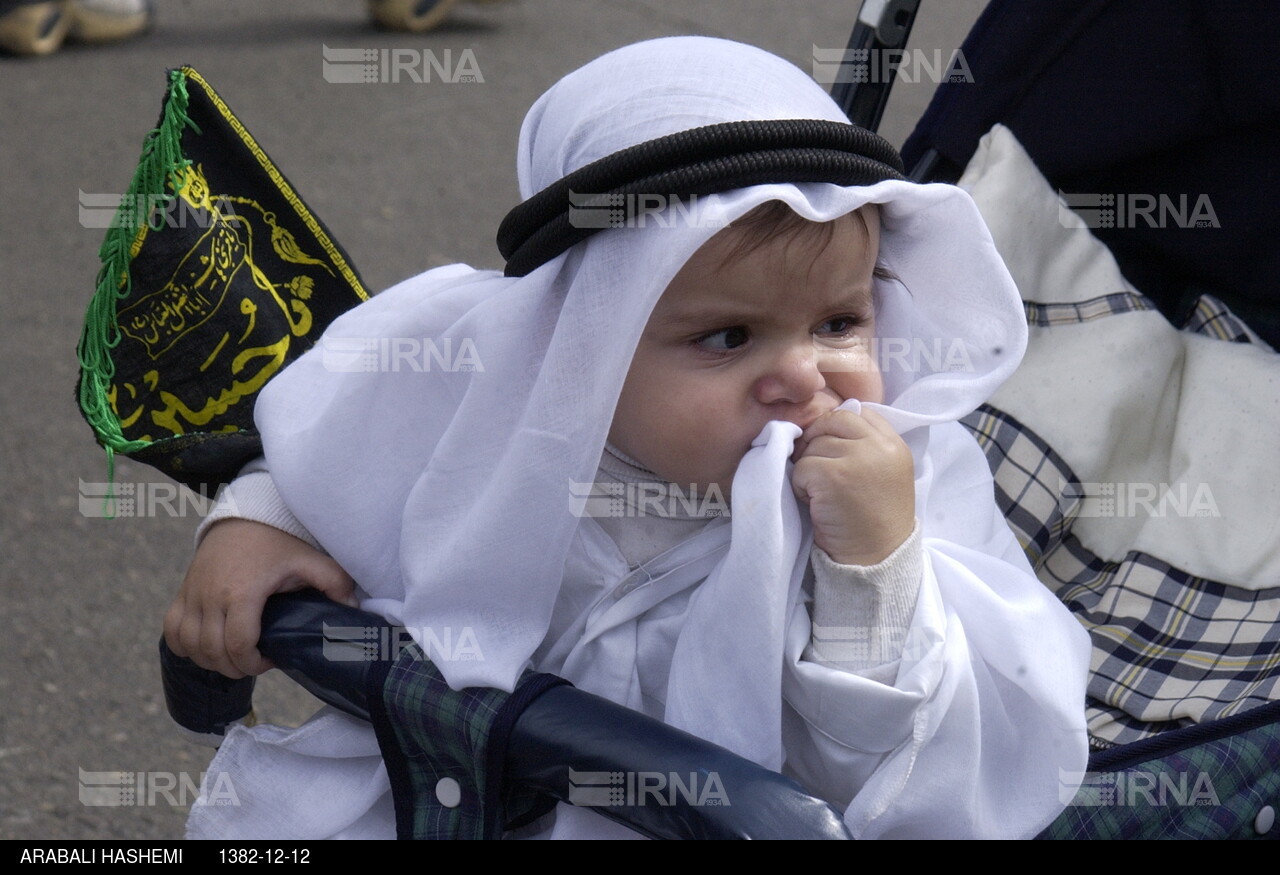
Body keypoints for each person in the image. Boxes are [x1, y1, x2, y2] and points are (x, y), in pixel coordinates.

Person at [167, 36, 1091, 839]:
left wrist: (875, 572)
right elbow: (345, 442)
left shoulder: (898, 481)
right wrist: (258, 521)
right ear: (585, 342)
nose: (807, 375)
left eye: (841, 323)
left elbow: (920, 777)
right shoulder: (496, 399)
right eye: (727, 337)